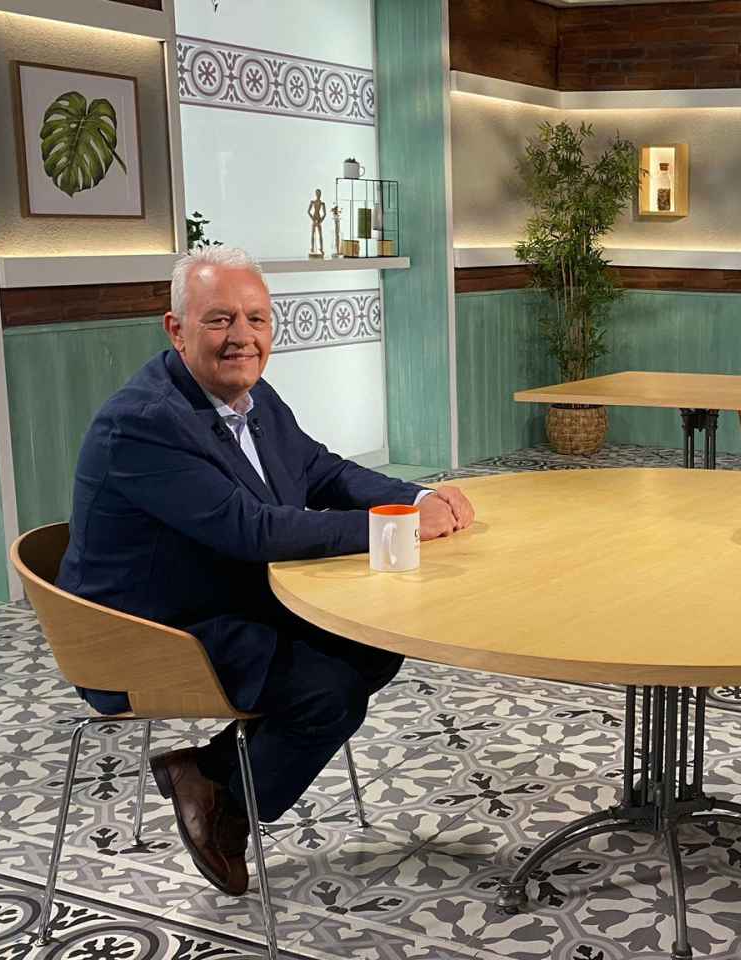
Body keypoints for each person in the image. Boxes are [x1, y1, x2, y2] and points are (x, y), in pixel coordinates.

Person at [56, 247, 475, 895]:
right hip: (151, 630)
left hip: (220, 593)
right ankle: (223, 801)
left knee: (374, 642)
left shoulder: (252, 397)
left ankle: (209, 774)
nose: (242, 336)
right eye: (219, 319)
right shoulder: (143, 423)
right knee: (327, 692)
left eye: (256, 319)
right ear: (176, 329)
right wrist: (395, 528)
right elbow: (251, 530)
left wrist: (416, 497)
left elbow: (322, 471)